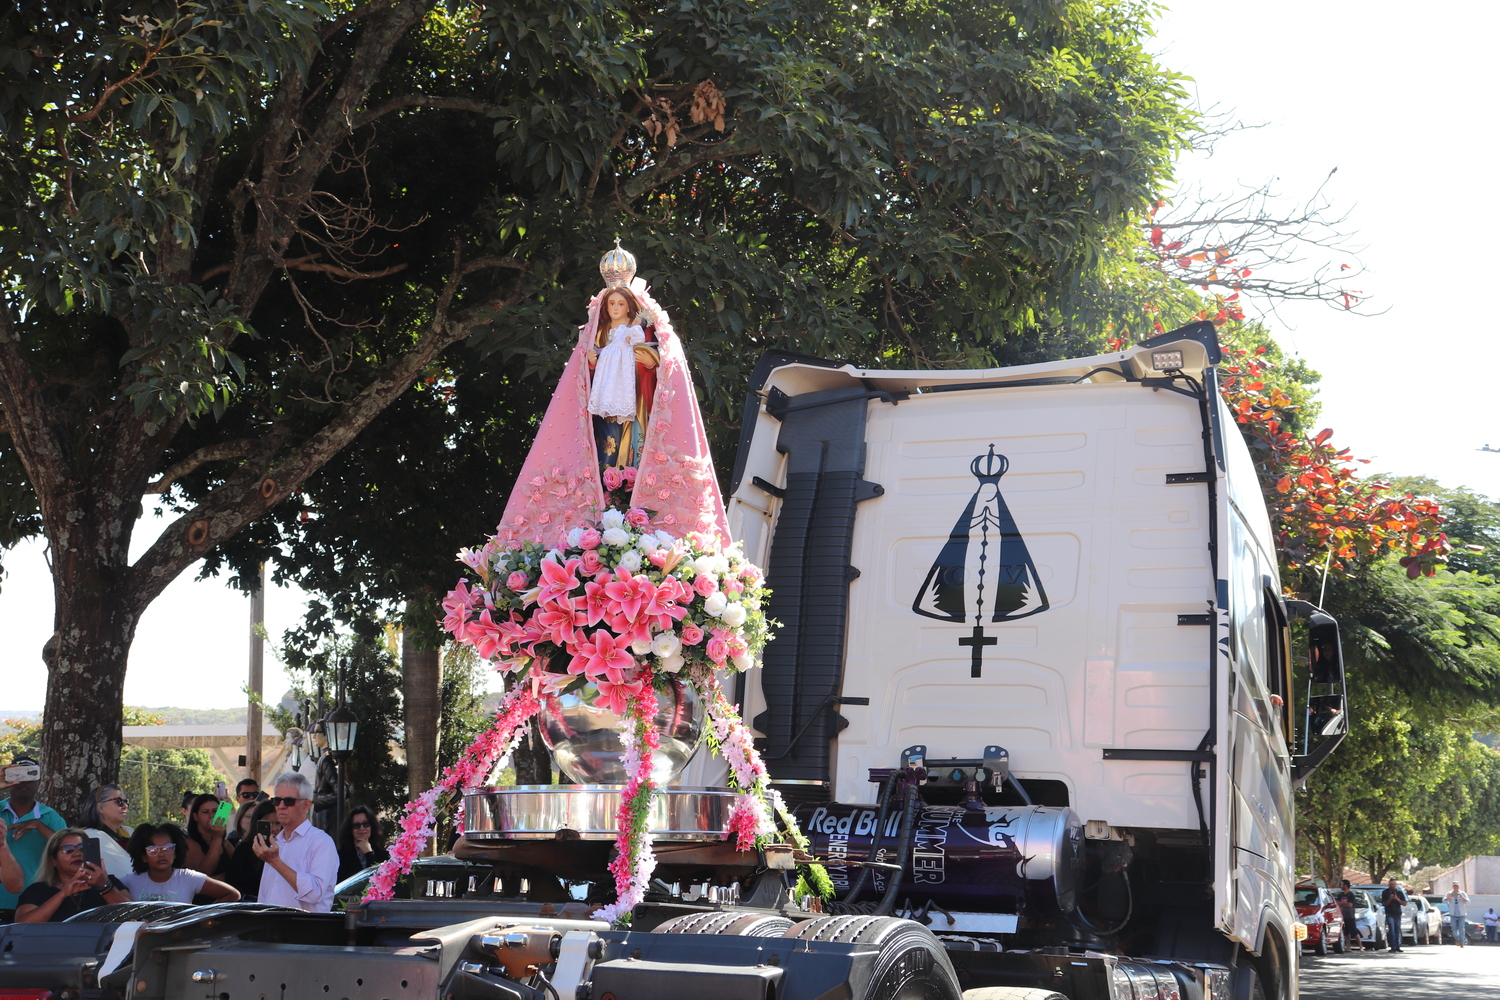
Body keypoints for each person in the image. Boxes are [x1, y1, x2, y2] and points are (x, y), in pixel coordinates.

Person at [253, 772, 337, 912]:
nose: (281, 806)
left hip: (303, 929)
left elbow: (314, 894)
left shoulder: (321, 842)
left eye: (289, 801)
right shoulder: (275, 842)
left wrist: (275, 862)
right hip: (270, 927)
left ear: (306, 806)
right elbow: (264, 896)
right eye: (277, 800)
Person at [14, 827, 131, 922]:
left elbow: (132, 916)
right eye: (68, 850)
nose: (76, 853)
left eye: (82, 848)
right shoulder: (38, 890)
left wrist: (104, 886)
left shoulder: (110, 882)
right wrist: (63, 894)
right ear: (53, 860)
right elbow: (21, 925)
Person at [0, 755, 66, 919]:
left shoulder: (50, 817)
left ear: (39, 780)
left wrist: (39, 826)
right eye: (18, 775)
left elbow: (68, 848)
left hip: (37, 906)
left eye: (30, 774)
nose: (24, 781)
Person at [121, 823, 240, 904]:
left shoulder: (188, 878)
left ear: (176, 852)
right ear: (143, 856)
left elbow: (233, 894)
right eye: (153, 850)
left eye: (168, 848)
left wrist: (202, 917)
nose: (162, 854)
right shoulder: (129, 881)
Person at [222, 800, 278, 901]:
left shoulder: (287, 845)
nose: (274, 828)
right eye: (267, 824)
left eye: (278, 823)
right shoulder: (244, 847)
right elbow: (233, 879)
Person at [78, 784, 134, 879]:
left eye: (126, 802)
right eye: (119, 801)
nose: (125, 806)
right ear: (100, 808)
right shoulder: (90, 836)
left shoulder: (129, 832)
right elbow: (126, 870)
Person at [184, 792, 234, 875]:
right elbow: (204, 873)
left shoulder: (226, 844)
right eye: (205, 812)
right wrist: (217, 837)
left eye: (215, 811)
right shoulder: (189, 843)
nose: (211, 815)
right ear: (195, 816)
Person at [336, 806, 389, 881]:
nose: (362, 828)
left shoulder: (385, 856)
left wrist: (369, 854)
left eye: (366, 824)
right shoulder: (340, 857)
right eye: (356, 825)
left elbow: (377, 881)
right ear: (350, 829)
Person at [1380, 877, 1408, 952]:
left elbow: (1405, 903)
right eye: (1390, 884)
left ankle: (1398, 946)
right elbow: (1384, 904)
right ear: (1388, 884)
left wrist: (1397, 899)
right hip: (1389, 913)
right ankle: (1393, 946)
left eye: (1393, 884)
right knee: (1391, 930)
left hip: (1397, 913)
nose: (1392, 886)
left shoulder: (1399, 892)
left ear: (1395, 885)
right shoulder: (1385, 892)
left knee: (1397, 930)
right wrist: (1389, 899)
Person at [1443, 882, 1470, 947]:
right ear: (1453, 887)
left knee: (1461, 928)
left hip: (1462, 914)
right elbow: (1443, 901)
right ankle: (1457, 939)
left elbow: (1468, 902)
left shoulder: (1463, 893)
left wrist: (1462, 897)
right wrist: (1448, 897)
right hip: (1453, 914)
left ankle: (1462, 942)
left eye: (1457, 886)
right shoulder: (1449, 893)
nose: (1456, 887)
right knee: (1454, 929)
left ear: (1459, 887)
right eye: (1454, 886)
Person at [1335, 878, 1359, 947]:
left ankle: (1360, 946)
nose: (1341, 886)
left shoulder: (1351, 895)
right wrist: (1344, 903)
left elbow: (1350, 904)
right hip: (1342, 916)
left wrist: (1342, 903)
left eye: (1342, 884)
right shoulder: (1341, 895)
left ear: (1346, 885)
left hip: (1350, 915)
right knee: (1346, 932)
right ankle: (1348, 947)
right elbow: (1337, 902)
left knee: (1354, 932)